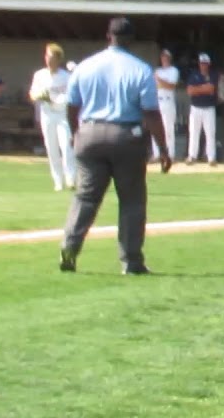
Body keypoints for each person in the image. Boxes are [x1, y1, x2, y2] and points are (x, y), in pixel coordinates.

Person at [59, 17, 171, 275]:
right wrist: (162, 149)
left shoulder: (85, 66)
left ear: (108, 36)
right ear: (130, 40)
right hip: (126, 136)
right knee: (131, 201)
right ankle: (131, 261)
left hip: (89, 133)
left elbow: (72, 105)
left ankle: (70, 246)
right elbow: (151, 114)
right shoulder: (141, 69)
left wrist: (76, 131)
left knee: (86, 196)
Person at [28, 43, 76, 191]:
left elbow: (70, 97)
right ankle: (57, 181)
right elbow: (32, 93)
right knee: (51, 147)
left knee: (66, 146)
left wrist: (55, 100)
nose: (48, 59)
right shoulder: (39, 75)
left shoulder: (66, 77)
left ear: (58, 59)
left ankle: (71, 179)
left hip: (62, 115)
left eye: (51, 56)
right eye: (46, 56)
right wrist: (38, 96)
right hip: (46, 115)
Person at [185, 53, 219, 166]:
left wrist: (197, 89)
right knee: (194, 132)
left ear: (208, 64)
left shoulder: (213, 75)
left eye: (205, 63)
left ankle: (211, 158)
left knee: (210, 133)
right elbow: (190, 91)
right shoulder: (194, 74)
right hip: (195, 107)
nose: (203, 65)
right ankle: (192, 156)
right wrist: (203, 88)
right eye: (201, 63)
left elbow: (211, 89)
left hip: (209, 108)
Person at [152, 49, 179, 163]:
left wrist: (159, 80)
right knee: (156, 129)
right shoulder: (157, 70)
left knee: (168, 129)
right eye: (163, 57)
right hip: (158, 101)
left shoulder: (173, 70)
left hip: (168, 101)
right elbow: (154, 86)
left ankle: (170, 154)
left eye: (166, 57)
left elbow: (170, 86)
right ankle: (157, 154)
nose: (164, 59)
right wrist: (161, 83)